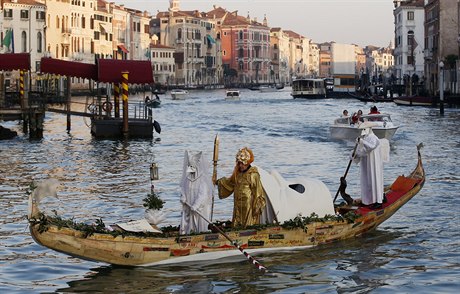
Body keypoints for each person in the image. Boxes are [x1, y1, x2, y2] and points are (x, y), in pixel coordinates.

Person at [215, 147, 266, 228]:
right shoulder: (238, 174)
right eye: (239, 163)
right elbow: (230, 183)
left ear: (247, 163)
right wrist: (218, 182)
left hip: (248, 208)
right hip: (238, 206)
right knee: (236, 227)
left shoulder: (253, 175)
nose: (240, 166)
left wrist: (257, 208)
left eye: (242, 163)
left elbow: (258, 192)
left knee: (247, 227)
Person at [352, 122, 390, 209]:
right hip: (366, 163)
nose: (362, 131)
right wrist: (354, 154)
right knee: (367, 181)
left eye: (364, 129)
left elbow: (371, 146)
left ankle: (378, 201)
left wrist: (362, 141)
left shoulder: (373, 138)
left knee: (375, 180)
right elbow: (361, 150)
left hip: (374, 163)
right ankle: (368, 200)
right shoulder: (364, 138)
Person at [179, 151, 213, 234]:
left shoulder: (202, 179)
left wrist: (196, 205)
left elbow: (203, 195)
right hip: (189, 206)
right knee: (189, 225)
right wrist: (183, 196)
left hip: (199, 210)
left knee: (199, 224)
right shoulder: (187, 178)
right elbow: (183, 188)